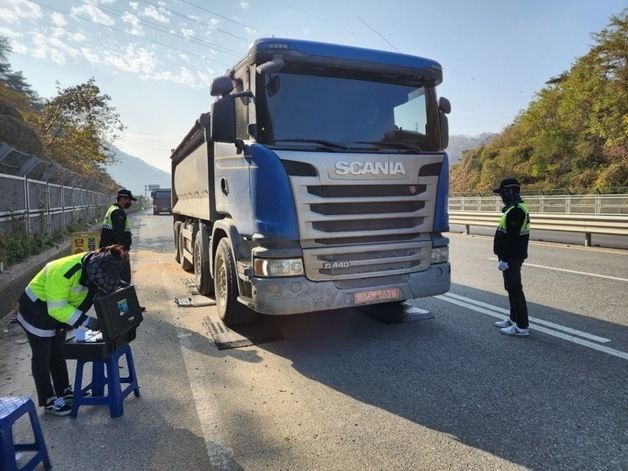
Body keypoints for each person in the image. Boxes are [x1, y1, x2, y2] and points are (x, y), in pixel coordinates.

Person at [16, 245, 126, 416]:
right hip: (36, 310)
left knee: (58, 351)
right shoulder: (64, 271)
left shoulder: (97, 266)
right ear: (92, 271)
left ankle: (64, 391)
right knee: (43, 355)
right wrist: (87, 321)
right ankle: (48, 400)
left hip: (58, 311)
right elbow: (56, 309)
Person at [492, 178, 531, 336]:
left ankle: (522, 326)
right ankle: (513, 318)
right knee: (510, 288)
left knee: (515, 290)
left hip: (512, 258)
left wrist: (506, 259)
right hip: (509, 257)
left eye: (503, 193)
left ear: (510, 192)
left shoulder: (516, 210)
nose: (501, 197)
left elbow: (513, 238)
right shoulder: (513, 209)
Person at [99, 188, 136, 284]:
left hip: (109, 250)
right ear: (122, 199)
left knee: (111, 277)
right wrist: (122, 251)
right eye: (128, 200)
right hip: (116, 252)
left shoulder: (112, 209)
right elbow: (119, 234)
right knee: (123, 279)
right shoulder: (117, 212)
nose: (129, 202)